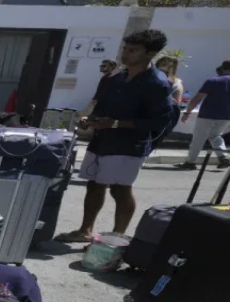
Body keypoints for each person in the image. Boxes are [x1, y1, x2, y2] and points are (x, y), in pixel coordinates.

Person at [56, 29, 178, 243]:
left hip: (128, 146)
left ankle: (116, 239)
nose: (126, 53)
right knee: (94, 185)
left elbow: (159, 122)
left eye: (133, 50)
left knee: (120, 190)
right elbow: (101, 107)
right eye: (125, 48)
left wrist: (116, 123)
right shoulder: (116, 78)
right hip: (102, 142)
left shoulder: (157, 84)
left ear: (149, 53)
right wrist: (90, 119)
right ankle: (85, 230)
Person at [178, 58, 230, 169]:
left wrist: (188, 112)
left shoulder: (213, 81)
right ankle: (223, 156)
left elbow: (197, 98)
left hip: (207, 113)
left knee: (199, 138)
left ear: (223, 67)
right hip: (227, 114)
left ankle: (191, 162)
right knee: (215, 135)